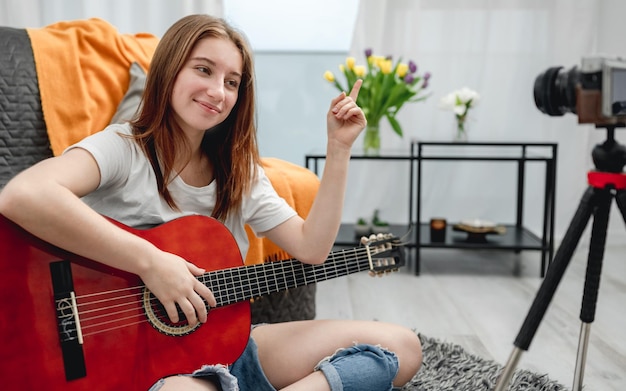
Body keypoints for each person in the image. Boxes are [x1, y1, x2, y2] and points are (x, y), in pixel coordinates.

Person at [0, 14, 422, 391]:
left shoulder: (240, 173)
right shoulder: (123, 147)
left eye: (232, 82)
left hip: (228, 348)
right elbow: (23, 195)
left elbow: (312, 250)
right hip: (152, 370)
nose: (217, 91)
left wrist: (339, 148)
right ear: (168, 71)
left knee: (403, 347)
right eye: (203, 70)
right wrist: (152, 262)